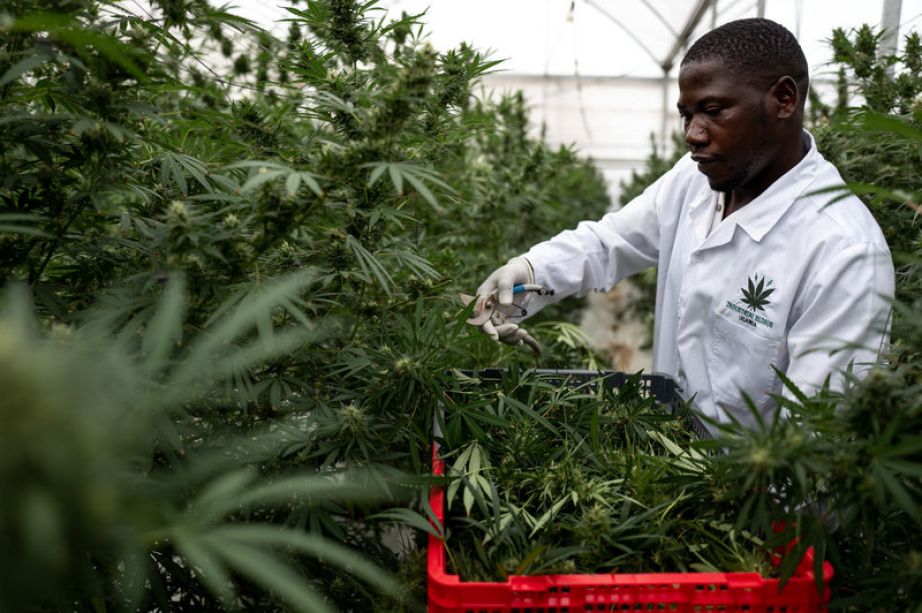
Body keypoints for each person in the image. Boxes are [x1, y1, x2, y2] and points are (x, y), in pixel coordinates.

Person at [474, 18, 895, 429]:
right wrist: (529, 272)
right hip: (663, 471)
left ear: (784, 99)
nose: (693, 134)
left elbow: (814, 440)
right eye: (686, 115)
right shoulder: (695, 180)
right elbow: (610, 242)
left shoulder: (844, 253)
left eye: (713, 111)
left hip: (745, 494)